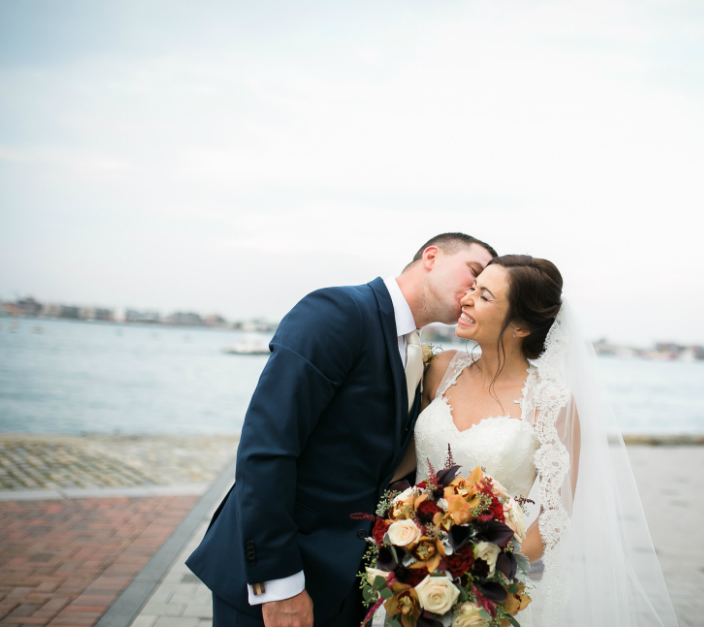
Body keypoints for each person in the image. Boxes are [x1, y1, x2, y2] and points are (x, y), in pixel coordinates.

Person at [186, 233, 496, 627]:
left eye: (486, 287)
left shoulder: (414, 348)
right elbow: (267, 447)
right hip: (277, 576)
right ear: (431, 257)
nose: (475, 290)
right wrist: (279, 583)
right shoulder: (338, 311)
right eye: (474, 272)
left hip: (342, 583)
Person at [394, 254, 679, 626]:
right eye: (473, 288)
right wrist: (398, 544)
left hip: (479, 594)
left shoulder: (553, 403)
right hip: (402, 573)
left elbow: (554, 520)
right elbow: (402, 463)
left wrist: (472, 573)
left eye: (484, 296)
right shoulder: (440, 369)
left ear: (521, 327)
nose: (465, 299)